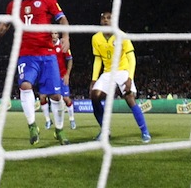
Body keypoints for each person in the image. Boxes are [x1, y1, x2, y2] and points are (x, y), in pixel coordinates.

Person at [0, 0, 71, 146]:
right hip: (26, 54)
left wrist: (66, 37)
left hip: (48, 55)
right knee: (24, 85)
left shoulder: (48, 0)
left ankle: (59, 130)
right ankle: (32, 126)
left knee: (56, 96)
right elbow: (4, 26)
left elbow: (62, 20)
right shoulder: (14, 5)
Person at [90, 11, 151, 143]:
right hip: (107, 73)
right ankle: (105, 131)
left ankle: (145, 131)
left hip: (122, 70)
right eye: (103, 18)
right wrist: (94, 79)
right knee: (94, 96)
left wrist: (130, 78)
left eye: (108, 18)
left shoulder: (122, 36)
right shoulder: (96, 38)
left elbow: (132, 59)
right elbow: (98, 60)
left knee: (129, 97)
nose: (105, 20)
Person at [40, 31, 75, 130]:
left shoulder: (63, 45)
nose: (53, 35)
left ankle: (71, 119)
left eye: (55, 33)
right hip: (49, 77)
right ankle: (48, 120)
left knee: (66, 99)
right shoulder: (46, 46)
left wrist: (67, 74)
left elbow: (70, 59)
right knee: (42, 97)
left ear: (58, 35)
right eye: (51, 34)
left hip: (61, 76)